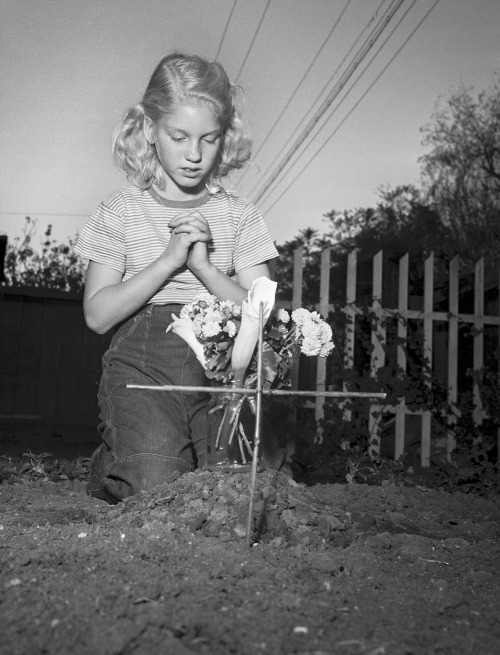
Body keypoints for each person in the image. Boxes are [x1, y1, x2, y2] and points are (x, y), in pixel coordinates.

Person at [75, 53, 279, 504]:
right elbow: (96, 315)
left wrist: (205, 269)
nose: (194, 154)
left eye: (209, 139)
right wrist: (169, 261)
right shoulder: (120, 210)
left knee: (231, 492)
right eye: (179, 136)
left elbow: (263, 314)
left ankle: (141, 451)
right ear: (150, 129)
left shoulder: (239, 215)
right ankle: (113, 461)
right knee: (159, 487)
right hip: (142, 367)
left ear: (225, 137)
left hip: (221, 370)